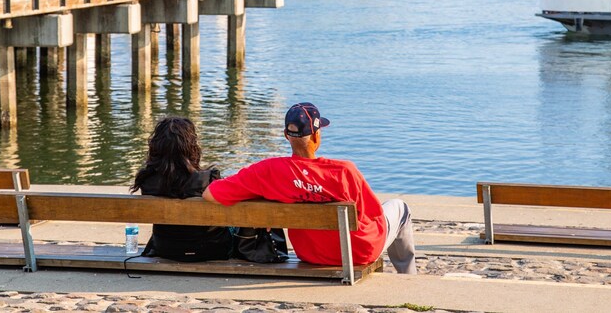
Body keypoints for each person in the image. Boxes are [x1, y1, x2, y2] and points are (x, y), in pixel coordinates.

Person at [203, 102, 417, 274]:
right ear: (316, 135)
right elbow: (374, 214)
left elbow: (210, 193)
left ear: (286, 135)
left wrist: (268, 199)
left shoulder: (268, 171)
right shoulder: (344, 171)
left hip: (312, 254)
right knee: (400, 208)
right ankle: (409, 279)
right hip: (360, 253)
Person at [130, 116, 234, 262]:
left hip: (165, 248)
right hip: (212, 249)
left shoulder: (146, 181)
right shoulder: (209, 178)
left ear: (157, 146)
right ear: (191, 146)